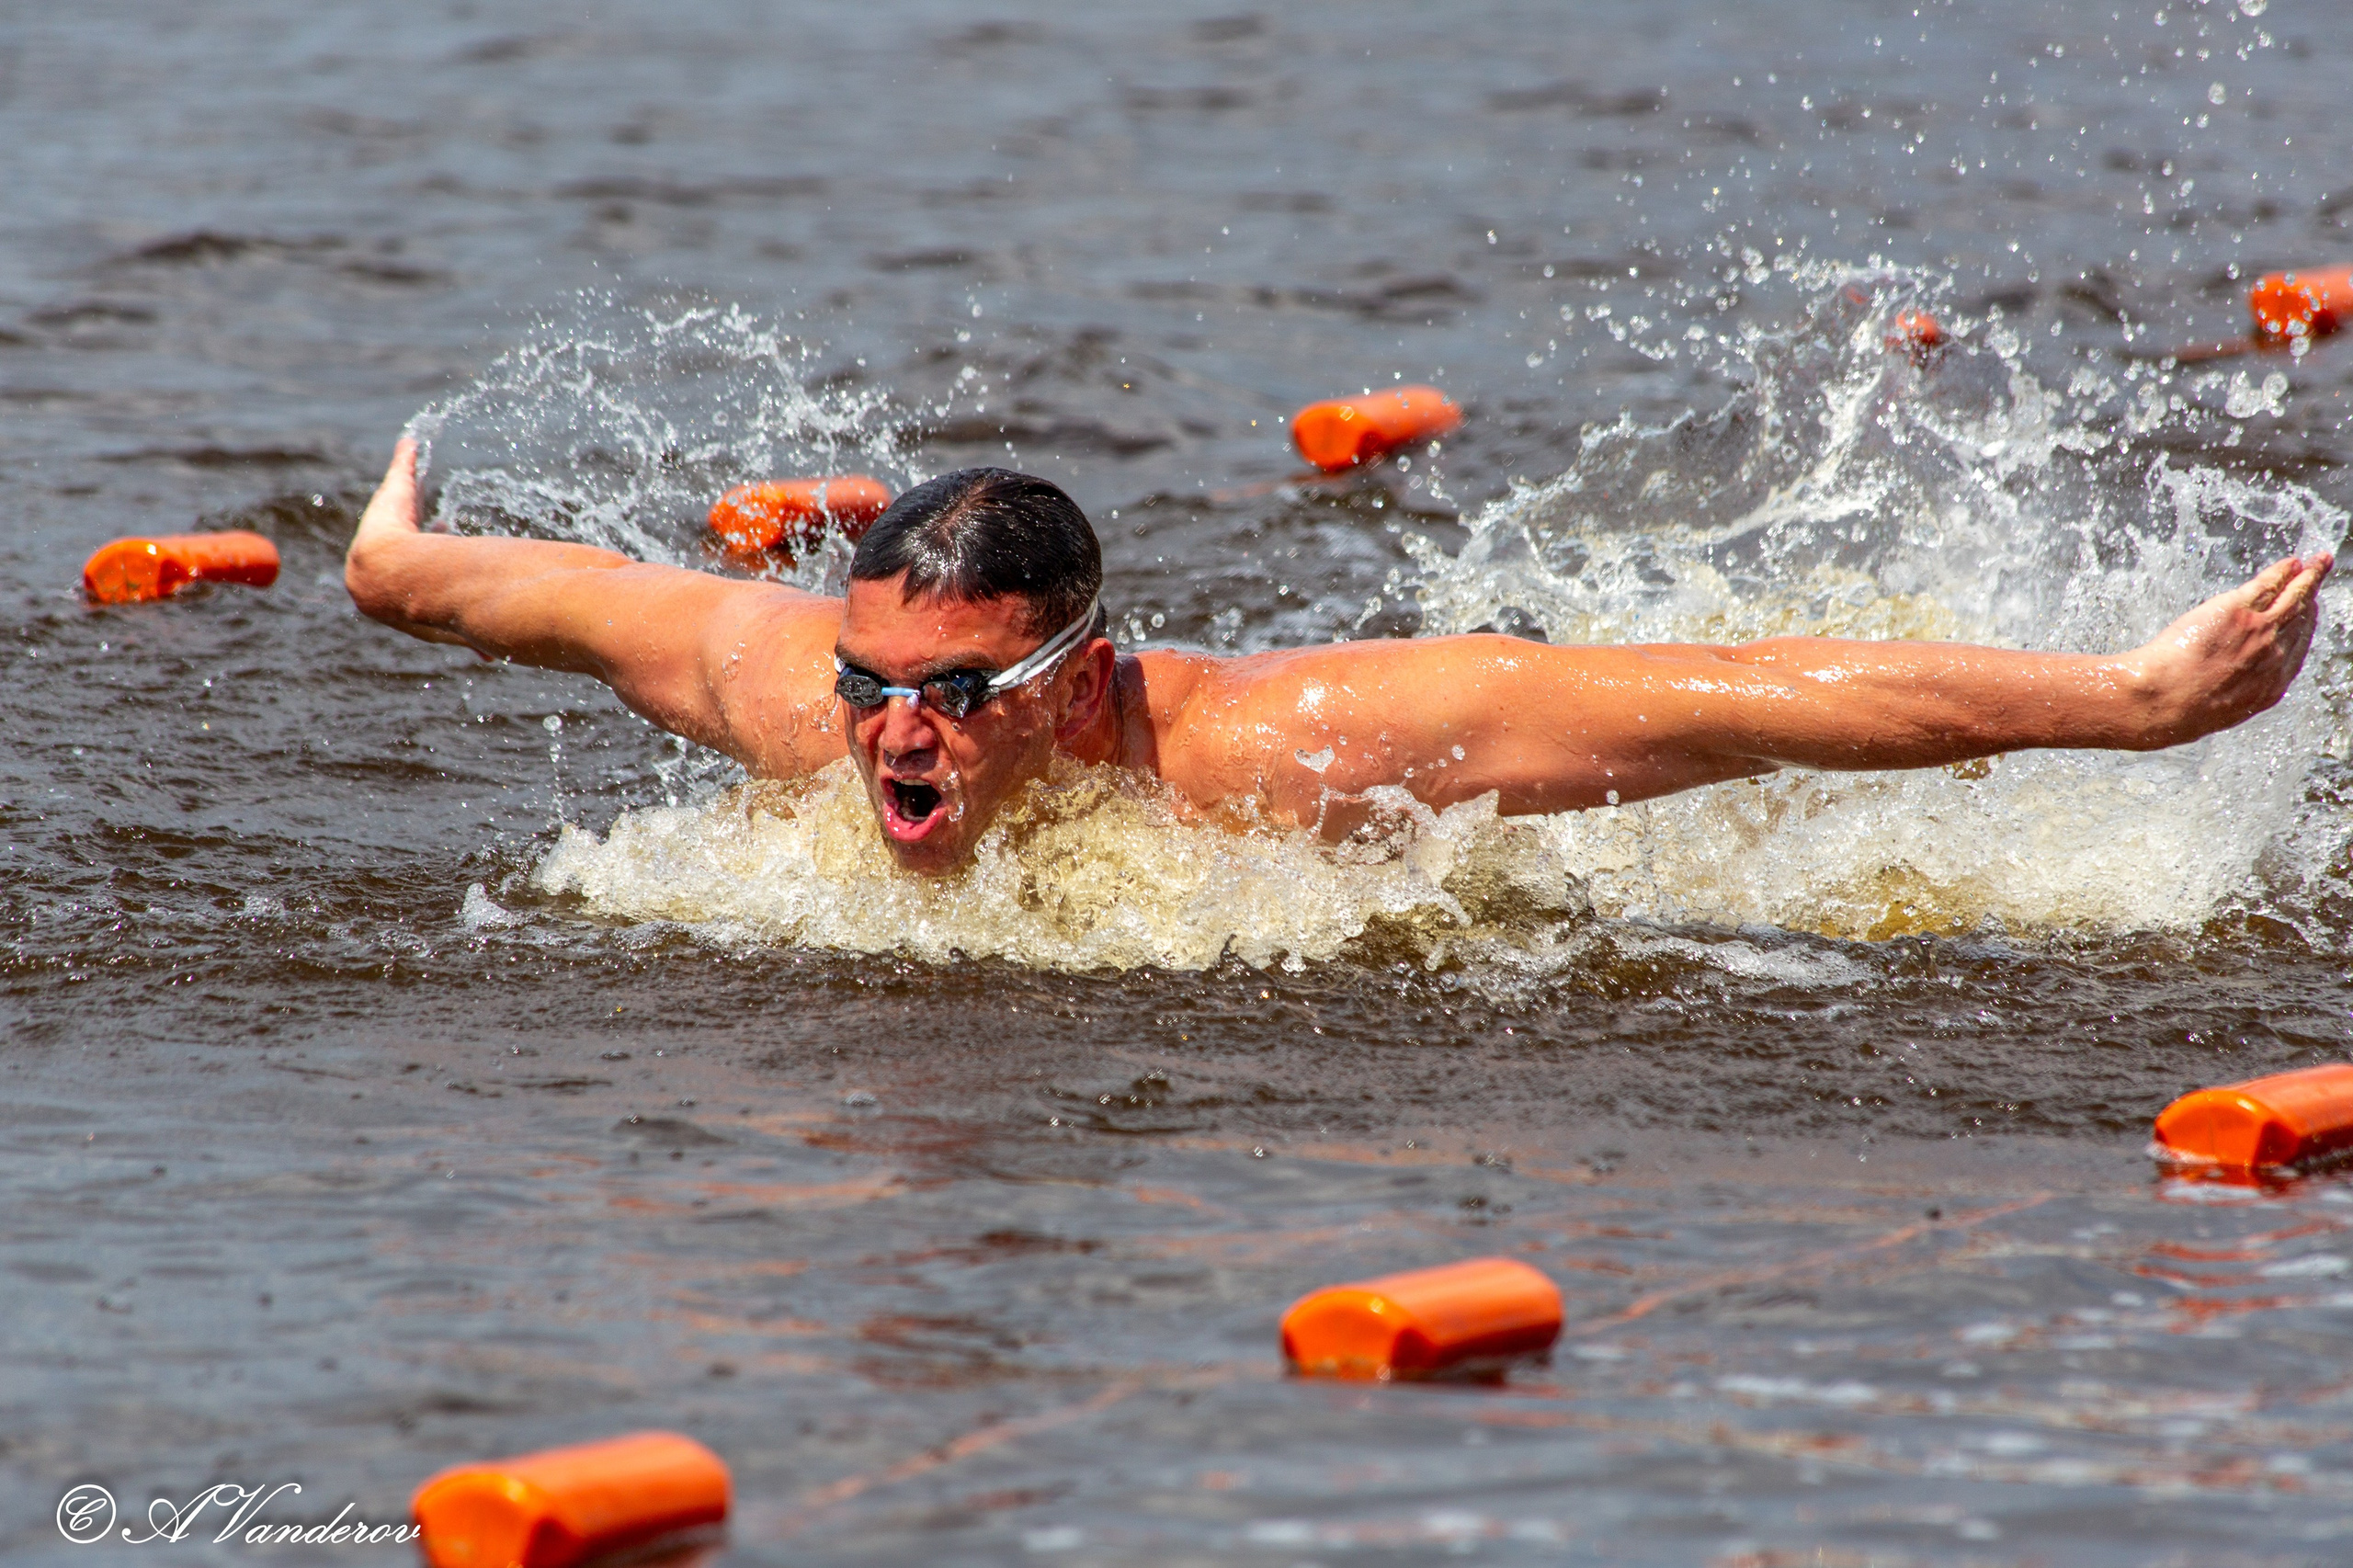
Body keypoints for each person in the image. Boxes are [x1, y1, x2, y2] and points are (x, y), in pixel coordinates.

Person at [346, 437, 2334, 876]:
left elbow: (1724, 696)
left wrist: (2131, 708)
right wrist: (388, 567)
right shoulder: (808, 697)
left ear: (1077, 678)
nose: (896, 743)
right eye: (879, 689)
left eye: (954, 696)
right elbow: (577, 598)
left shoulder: (1267, 753)